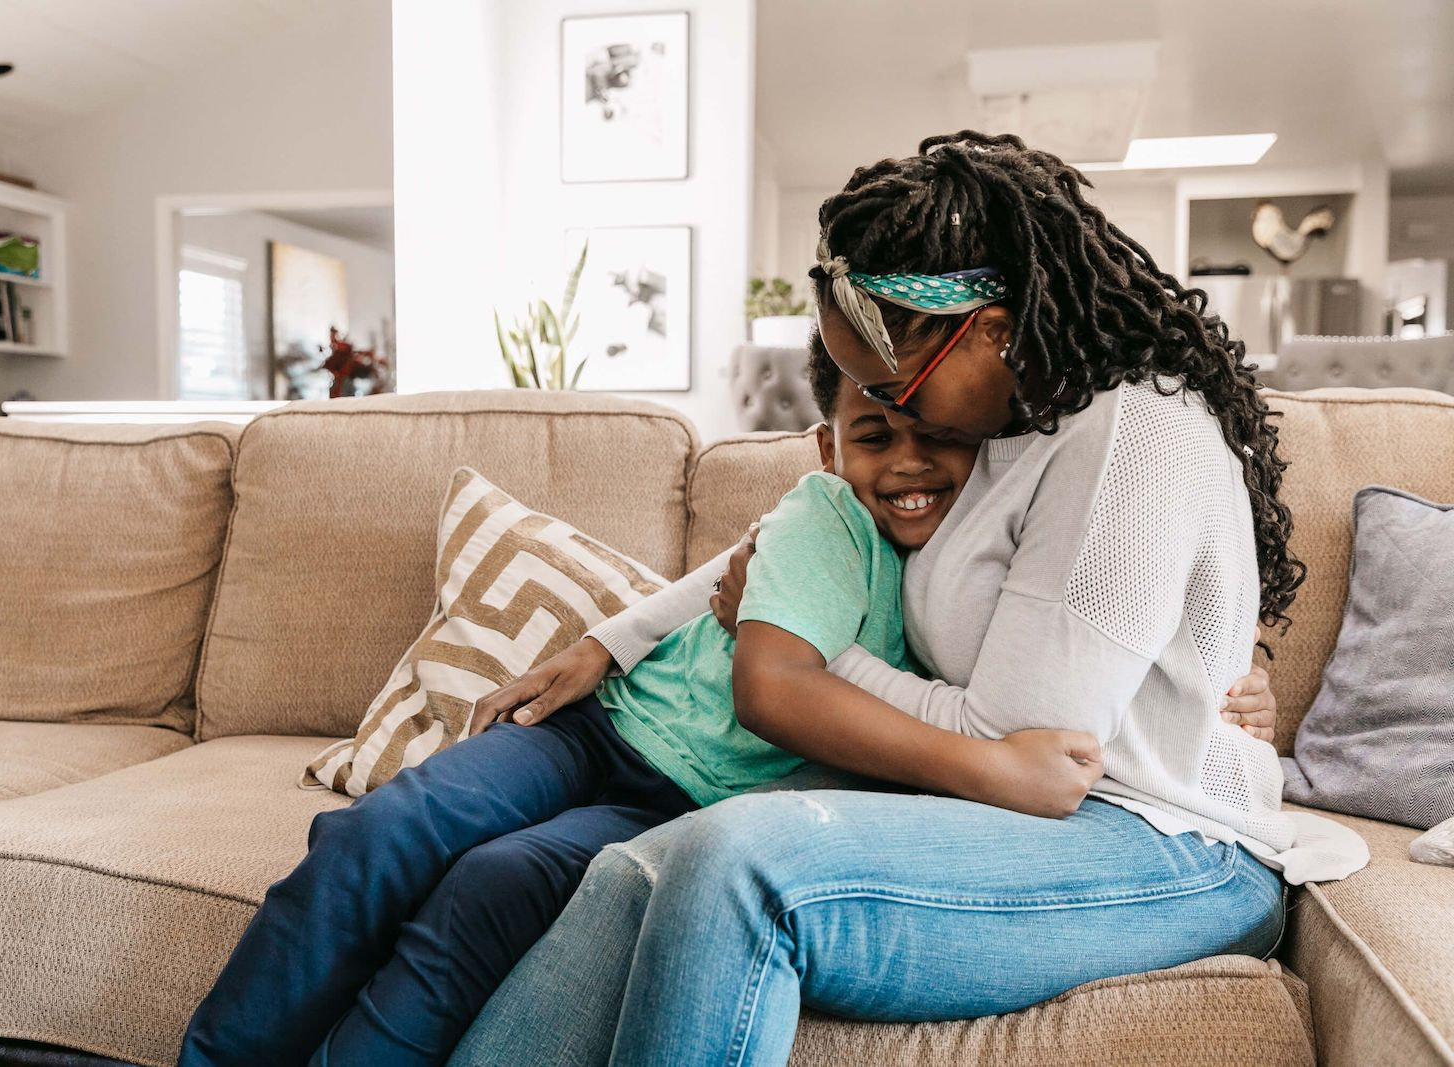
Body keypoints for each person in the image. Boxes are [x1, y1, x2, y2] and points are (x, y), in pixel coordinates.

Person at [448, 130, 1368, 1067]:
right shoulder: (1000, 421)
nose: (892, 417)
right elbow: (798, 540)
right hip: (1018, 812)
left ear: (994, 330)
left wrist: (810, 652)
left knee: (737, 864)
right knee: (633, 870)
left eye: (898, 387)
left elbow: (1023, 750)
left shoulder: (1130, 435)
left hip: (1161, 838)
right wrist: (620, 636)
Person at [177, 351, 1104, 1067]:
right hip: (603, 726)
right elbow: (732, 565)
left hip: (689, 804)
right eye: (873, 436)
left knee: (496, 883)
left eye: (935, 435)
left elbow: (1007, 699)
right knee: (385, 827)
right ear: (828, 448)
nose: (908, 462)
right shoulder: (822, 507)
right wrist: (602, 646)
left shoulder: (986, 569)